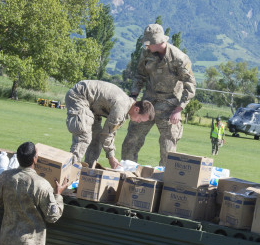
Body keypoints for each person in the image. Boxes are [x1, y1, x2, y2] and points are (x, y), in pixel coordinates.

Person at [121, 23, 197, 166]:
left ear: (159, 42)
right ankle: (127, 174)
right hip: (147, 103)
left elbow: (190, 85)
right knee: (131, 141)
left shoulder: (179, 58)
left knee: (168, 148)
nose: (147, 46)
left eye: (149, 43)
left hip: (169, 106)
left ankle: (163, 181)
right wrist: (133, 96)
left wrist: (179, 109)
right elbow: (139, 75)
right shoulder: (146, 53)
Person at [65, 80, 155, 169]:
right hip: (79, 96)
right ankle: (70, 170)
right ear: (136, 109)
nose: (138, 122)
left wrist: (110, 154)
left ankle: (88, 172)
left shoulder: (126, 107)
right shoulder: (121, 108)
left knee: (96, 138)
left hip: (93, 106)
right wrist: (111, 157)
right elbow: (107, 134)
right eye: (140, 119)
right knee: (84, 136)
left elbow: (110, 132)